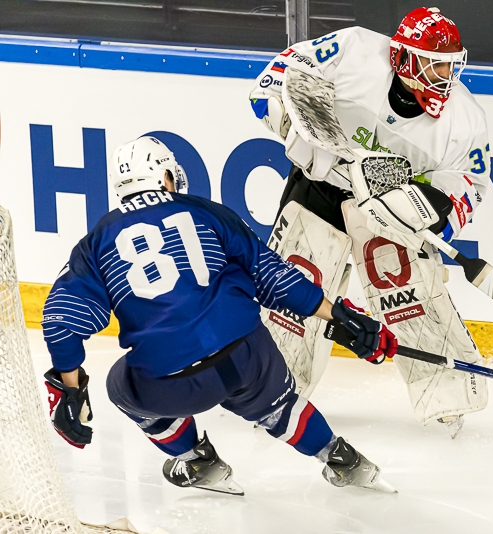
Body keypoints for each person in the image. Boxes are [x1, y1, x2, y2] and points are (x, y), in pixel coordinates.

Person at [41, 136, 397, 495]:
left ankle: (198, 461)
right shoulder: (205, 210)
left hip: (169, 380)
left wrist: (70, 391)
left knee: (119, 386)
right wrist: (336, 315)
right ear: (165, 177)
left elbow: (61, 321)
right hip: (246, 354)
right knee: (279, 407)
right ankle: (343, 459)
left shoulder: (96, 242)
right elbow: (273, 274)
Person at [248, 6, 490, 438]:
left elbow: (468, 189)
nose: (443, 78)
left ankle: (446, 397)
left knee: (405, 290)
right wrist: (290, 127)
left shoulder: (464, 121)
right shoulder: (355, 50)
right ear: (403, 59)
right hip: (319, 188)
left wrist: (422, 209)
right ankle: (276, 391)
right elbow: (275, 77)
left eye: (450, 67)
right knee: (298, 285)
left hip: (389, 205)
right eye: (433, 65)